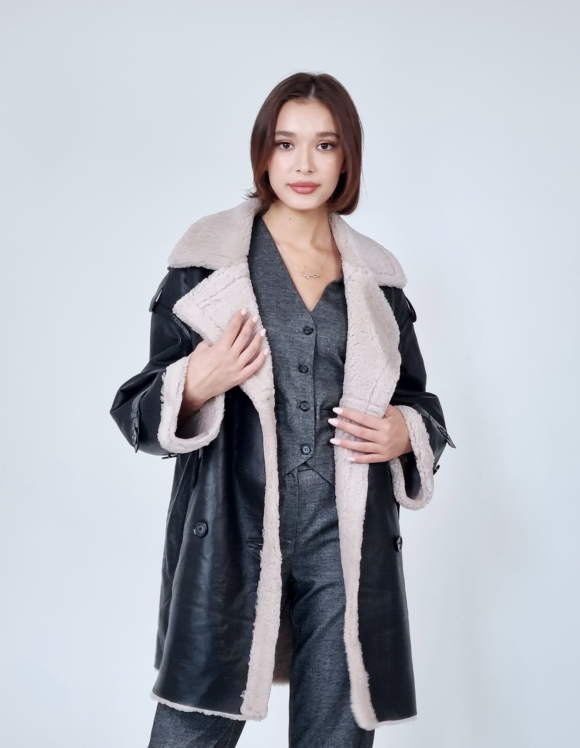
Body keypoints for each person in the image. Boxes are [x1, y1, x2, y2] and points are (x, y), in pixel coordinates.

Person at [110, 71, 454, 748]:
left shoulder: (378, 279)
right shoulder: (205, 265)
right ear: (262, 153)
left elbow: (418, 400)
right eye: (286, 143)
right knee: (189, 730)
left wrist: (406, 431)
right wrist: (197, 381)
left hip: (346, 544)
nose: (303, 164)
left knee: (337, 734)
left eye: (324, 145)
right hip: (229, 536)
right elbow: (134, 409)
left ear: (347, 157)